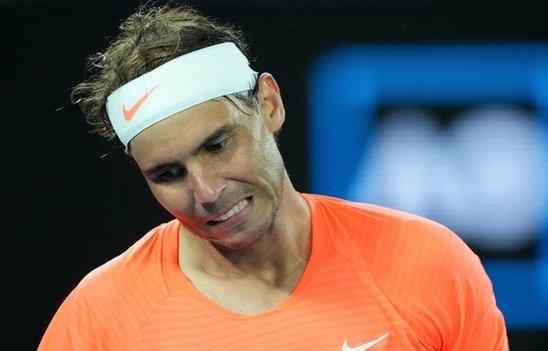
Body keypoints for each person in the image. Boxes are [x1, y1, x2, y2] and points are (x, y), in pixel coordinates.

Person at [39, 4, 508, 350]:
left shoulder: (428, 263)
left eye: (217, 145)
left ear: (269, 104)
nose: (206, 193)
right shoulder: (101, 322)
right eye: (169, 173)